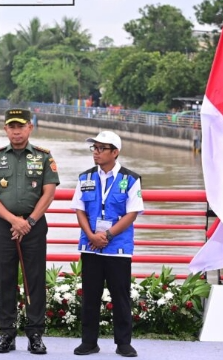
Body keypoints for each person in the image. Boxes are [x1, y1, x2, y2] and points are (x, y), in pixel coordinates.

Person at [0, 108, 59, 355]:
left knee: (34, 280)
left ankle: (35, 334)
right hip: (4, 227)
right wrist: (15, 221)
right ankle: (6, 334)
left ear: (30, 127)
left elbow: (49, 192)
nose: (16, 131)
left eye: (21, 126)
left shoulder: (44, 157)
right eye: (12, 126)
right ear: (5, 129)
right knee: (5, 280)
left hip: (33, 227)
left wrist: (29, 222)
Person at [71, 131, 143, 358]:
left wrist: (108, 235)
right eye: (94, 148)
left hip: (118, 249)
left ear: (115, 152)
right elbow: (79, 210)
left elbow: (131, 213)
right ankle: (89, 342)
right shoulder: (85, 177)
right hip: (91, 246)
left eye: (102, 148)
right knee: (90, 296)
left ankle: (123, 344)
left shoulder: (131, 179)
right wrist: (91, 235)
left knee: (120, 297)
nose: (96, 152)